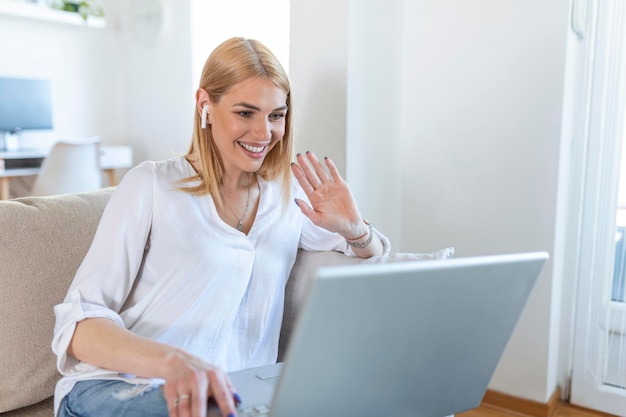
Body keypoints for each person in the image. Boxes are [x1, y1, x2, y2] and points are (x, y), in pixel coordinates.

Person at [52, 37, 389, 417]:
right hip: (119, 386)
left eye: (276, 115)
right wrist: (173, 363)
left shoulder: (287, 197)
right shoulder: (152, 186)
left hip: (228, 397)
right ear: (205, 106)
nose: (264, 134)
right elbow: (78, 324)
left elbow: (367, 255)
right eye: (246, 113)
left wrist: (355, 227)